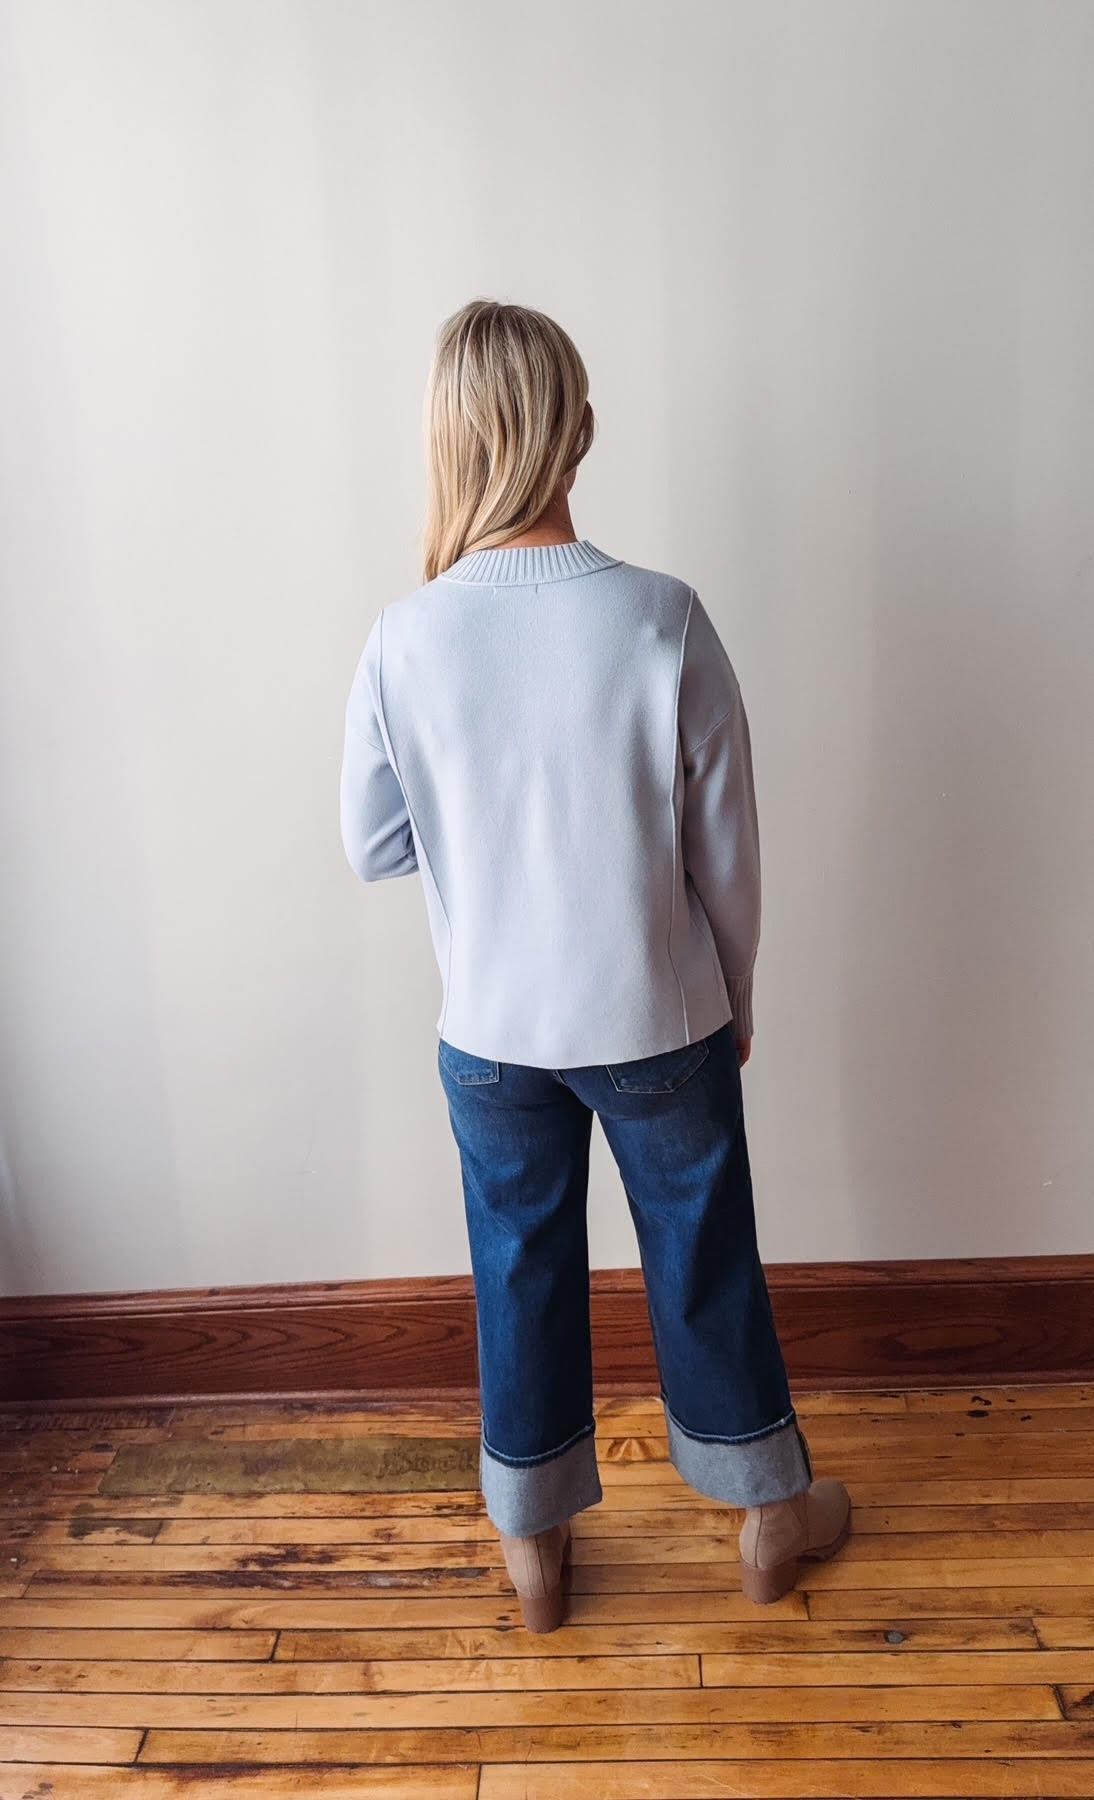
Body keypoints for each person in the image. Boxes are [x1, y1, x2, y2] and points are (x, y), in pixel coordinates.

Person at [340, 297, 851, 1631]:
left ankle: (535, 1546)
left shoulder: (406, 635)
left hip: (492, 1031)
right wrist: (733, 994)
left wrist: (480, 825)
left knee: (517, 1268)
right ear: (578, 432)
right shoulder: (658, 619)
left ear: (451, 443)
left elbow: (372, 844)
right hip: (654, 1017)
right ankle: (763, 1519)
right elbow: (725, 854)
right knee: (701, 1258)